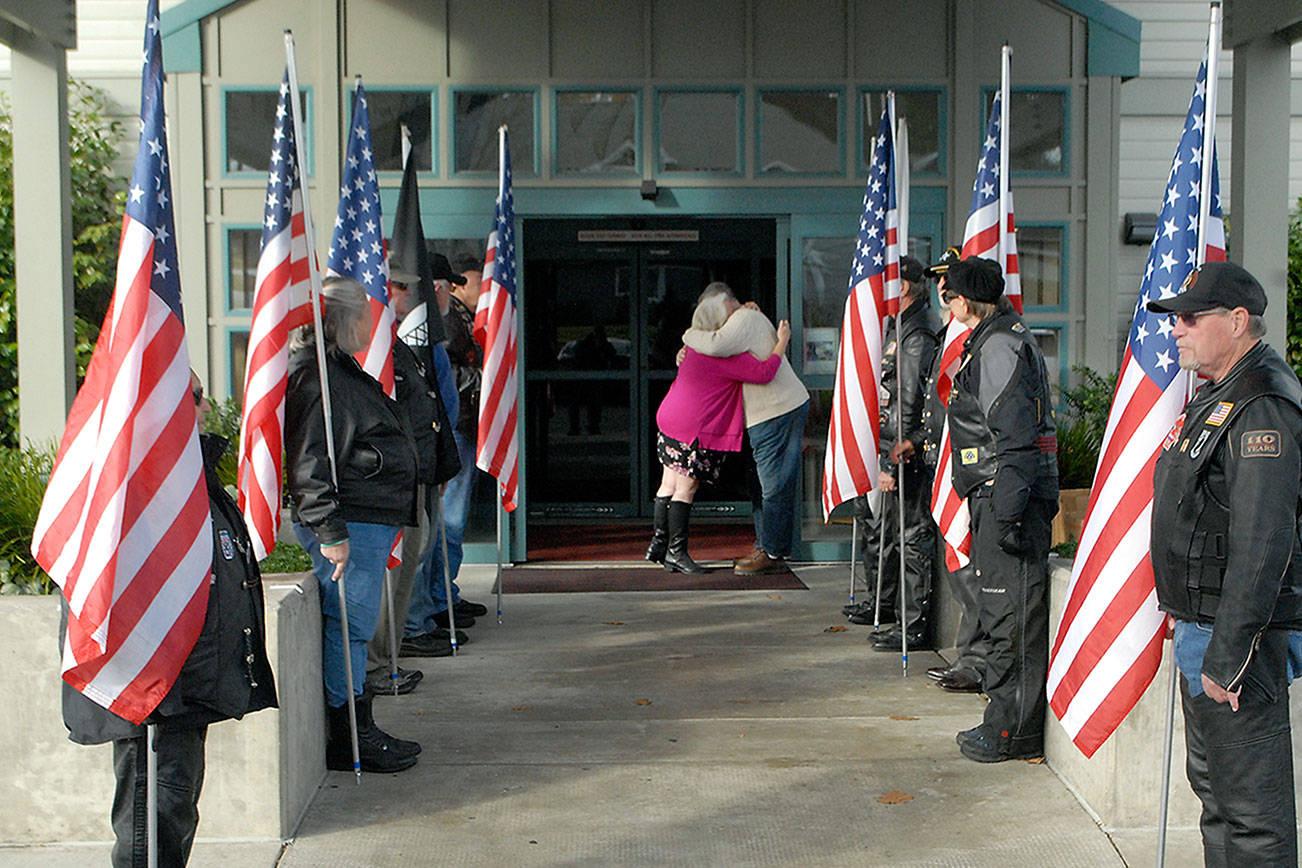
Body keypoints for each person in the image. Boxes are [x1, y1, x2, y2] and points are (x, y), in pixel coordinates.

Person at [61, 371, 277, 867]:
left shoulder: (184, 470)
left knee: (175, 814)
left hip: (188, 684)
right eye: (196, 398)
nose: (205, 409)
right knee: (150, 823)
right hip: (154, 693)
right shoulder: (131, 486)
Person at [1147, 261, 1302, 865]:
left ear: (1237, 322)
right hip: (1203, 627)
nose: (1176, 329)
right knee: (1217, 800)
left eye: (1190, 317)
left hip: (1237, 643)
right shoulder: (1220, 395)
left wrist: (1231, 655)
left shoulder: (1261, 405)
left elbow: (1264, 542)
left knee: (1253, 818)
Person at [286, 276, 421, 773]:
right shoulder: (315, 376)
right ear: (340, 319)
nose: (371, 322)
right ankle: (349, 739)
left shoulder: (338, 369)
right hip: (351, 523)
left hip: (369, 519)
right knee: (350, 628)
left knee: (357, 628)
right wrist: (330, 530)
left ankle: (362, 727)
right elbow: (308, 459)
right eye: (363, 313)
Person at [944, 256, 1058, 763]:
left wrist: (1008, 514)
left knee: (1011, 617)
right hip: (998, 496)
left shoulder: (999, 347)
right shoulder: (995, 340)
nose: (946, 305)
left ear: (964, 301)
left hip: (1008, 499)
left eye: (948, 297)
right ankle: (1004, 719)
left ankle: (1012, 731)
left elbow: (1016, 441)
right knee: (1000, 612)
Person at [364, 263, 461, 693]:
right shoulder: (379, 349)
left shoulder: (406, 344)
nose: (408, 296)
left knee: (414, 560)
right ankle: (377, 665)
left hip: (421, 470)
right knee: (396, 567)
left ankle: (392, 655)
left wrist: (437, 466)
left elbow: (428, 407)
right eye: (401, 288)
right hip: (395, 479)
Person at [651, 288, 791, 573]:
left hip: (669, 418)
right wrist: (782, 343)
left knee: (667, 484)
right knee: (686, 488)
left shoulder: (692, 345)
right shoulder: (723, 356)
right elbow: (764, 373)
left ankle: (659, 544)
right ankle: (677, 553)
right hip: (693, 427)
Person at [680, 282, 810, 575]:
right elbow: (714, 351)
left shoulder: (744, 319)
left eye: (711, 309)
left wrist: (686, 336)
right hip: (768, 413)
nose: (710, 316)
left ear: (726, 302)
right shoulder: (738, 323)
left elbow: (714, 345)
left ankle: (773, 553)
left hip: (777, 411)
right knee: (762, 485)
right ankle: (765, 545)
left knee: (773, 485)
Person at [857, 256, 941, 652]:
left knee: (911, 539)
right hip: (894, 445)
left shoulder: (917, 332)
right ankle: (886, 606)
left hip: (908, 453)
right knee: (886, 532)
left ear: (904, 287)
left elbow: (908, 400)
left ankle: (913, 626)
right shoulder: (900, 327)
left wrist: (891, 459)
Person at [405, 253, 489, 636]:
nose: (456, 290)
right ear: (436, 287)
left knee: (446, 525)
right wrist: (486, 377)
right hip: (446, 434)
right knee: (443, 525)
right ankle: (432, 605)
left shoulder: (449, 321)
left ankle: (442, 597)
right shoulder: (434, 326)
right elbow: (447, 378)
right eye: (450, 284)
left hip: (456, 429)